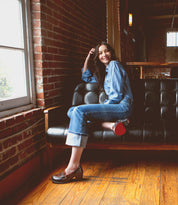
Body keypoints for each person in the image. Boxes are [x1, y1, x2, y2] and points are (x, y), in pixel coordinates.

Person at [51, 41, 133, 184]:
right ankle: (110, 125)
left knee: (79, 112)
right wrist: (88, 57)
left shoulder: (114, 65)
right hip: (116, 108)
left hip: (121, 106)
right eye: (100, 53)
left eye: (106, 51)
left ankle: (73, 166)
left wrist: (101, 109)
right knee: (72, 110)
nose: (104, 55)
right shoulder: (104, 73)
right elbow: (85, 76)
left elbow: (116, 96)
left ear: (111, 53)